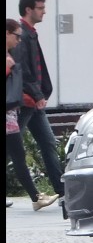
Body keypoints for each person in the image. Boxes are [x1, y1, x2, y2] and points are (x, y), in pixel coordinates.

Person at [14, 0, 64, 207]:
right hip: (27, 102)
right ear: (28, 9)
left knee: (48, 142)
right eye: (41, 8)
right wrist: (37, 94)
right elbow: (23, 70)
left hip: (34, 101)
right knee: (14, 146)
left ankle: (62, 190)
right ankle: (57, 191)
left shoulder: (29, 33)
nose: (44, 12)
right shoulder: (22, 36)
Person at [6, 18, 54, 209]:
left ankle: (36, 197)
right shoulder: (8, 58)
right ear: (7, 34)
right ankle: (36, 198)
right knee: (18, 155)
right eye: (16, 36)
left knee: (17, 155)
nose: (19, 40)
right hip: (7, 117)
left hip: (10, 114)